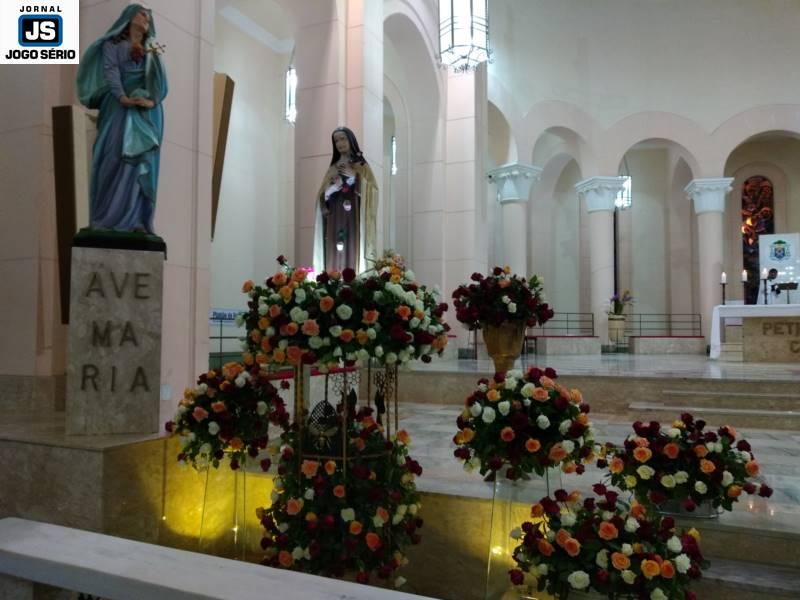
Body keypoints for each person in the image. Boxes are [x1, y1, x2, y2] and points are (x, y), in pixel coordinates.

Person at [76, 5, 168, 235]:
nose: (146, 18)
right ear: (128, 17)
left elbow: (159, 82)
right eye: (142, 13)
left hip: (146, 113)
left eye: (149, 17)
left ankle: (137, 219)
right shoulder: (113, 45)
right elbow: (111, 71)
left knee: (141, 162)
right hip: (118, 107)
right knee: (112, 157)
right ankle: (106, 217)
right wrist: (122, 97)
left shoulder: (151, 48)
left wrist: (151, 101)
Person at [313, 127, 378, 273]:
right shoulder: (333, 168)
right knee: (335, 246)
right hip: (335, 217)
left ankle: (354, 276)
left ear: (351, 140)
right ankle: (333, 277)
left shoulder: (361, 166)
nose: (340, 143)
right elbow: (322, 198)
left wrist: (355, 177)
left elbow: (373, 190)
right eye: (336, 141)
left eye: (343, 139)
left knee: (351, 244)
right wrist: (332, 189)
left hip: (354, 217)